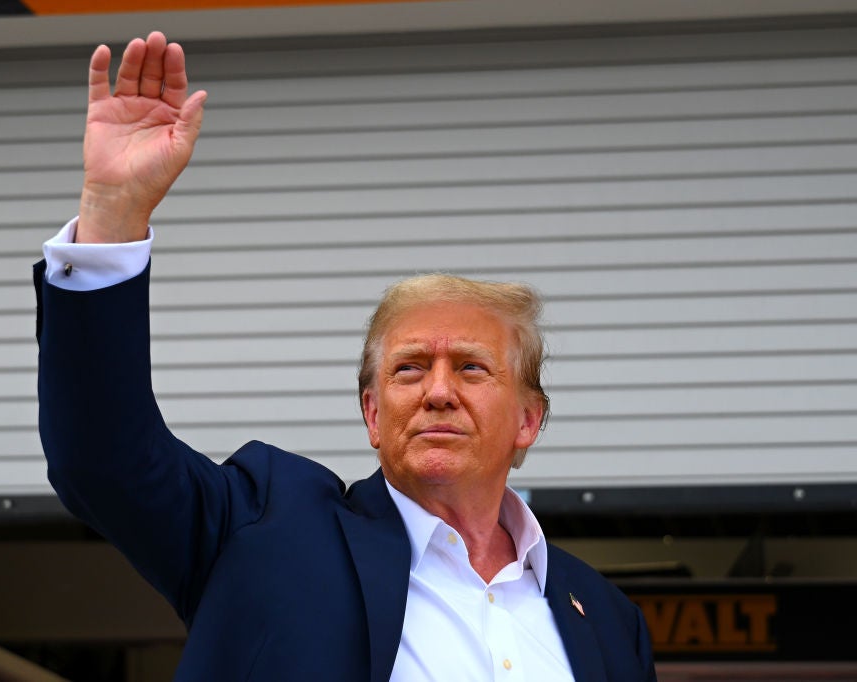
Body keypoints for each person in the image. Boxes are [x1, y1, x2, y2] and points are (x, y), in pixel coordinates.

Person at [35, 31, 657, 682]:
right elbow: (104, 460)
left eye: (471, 367)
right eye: (409, 368)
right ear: (372, 413)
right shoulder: (263, 532)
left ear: (529, 420)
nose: (438, 391)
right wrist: (114, 212)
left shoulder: (609, 622)